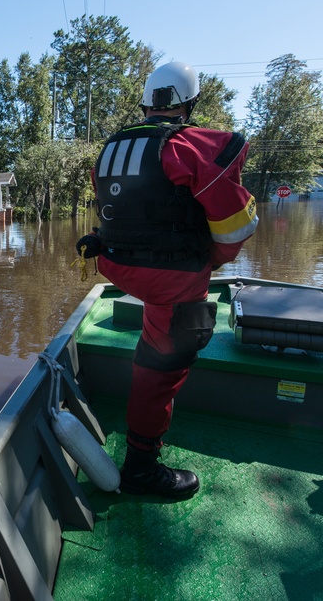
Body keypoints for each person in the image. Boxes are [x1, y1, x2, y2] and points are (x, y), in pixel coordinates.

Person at [75, 61, 258, 500]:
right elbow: (235, 230)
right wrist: (202, 263)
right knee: (161, 371)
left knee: (159, 333)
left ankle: (149, 357)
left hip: (113, 263)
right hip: (170, 278)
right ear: (190, 104)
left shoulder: (113, 147)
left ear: (145, 104)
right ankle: (140, 468)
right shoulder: (192, 147)